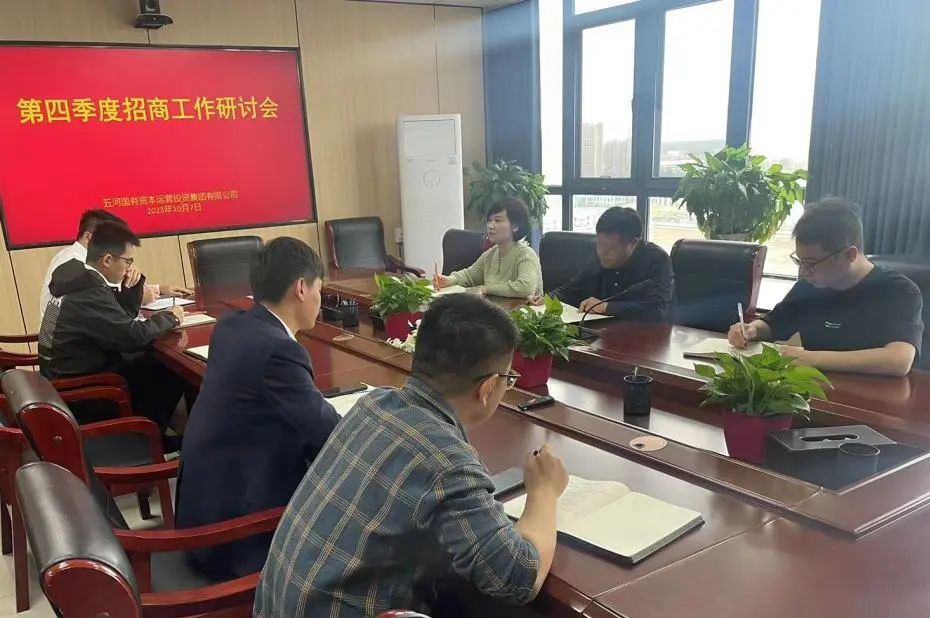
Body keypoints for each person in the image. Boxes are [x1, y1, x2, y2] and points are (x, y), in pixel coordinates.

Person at [255, 294, 569, 618]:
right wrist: (544, 490)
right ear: (488, 387)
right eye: (508, 379)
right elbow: (517, 578)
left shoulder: (373, 405)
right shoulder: (445, 461)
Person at [176, 237, 341, 580]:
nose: (320, 299)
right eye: (319, 289)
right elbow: (332, 437)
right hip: (237, 538)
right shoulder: (279, 352)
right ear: (301, 288)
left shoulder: (231, 326)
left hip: (200, 513)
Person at [728, 198, 924, 377]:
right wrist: (752, 329)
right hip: (813, 390)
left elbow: (899, 360)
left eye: (811, 263)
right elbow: (774, 324)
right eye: (800, 261)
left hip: (875, 397)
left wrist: (810, 358)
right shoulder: (810, 285)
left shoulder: (897, 290)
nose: (803, 271)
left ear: (850, 255)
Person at [38, 222, 186, 431]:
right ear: (107, 260)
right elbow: (132, 337)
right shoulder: (88, 292)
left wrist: (131, 288)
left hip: (66, 373)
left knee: (154, 363)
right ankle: (147, 436)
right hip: (83, 390)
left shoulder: (76, 276)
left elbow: (118, 321)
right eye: (128, 260)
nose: (130, 267)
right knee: (170, 371)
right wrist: (171, 317)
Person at [39, 209, 191, 325]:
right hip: (78, 351)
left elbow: (110, 292)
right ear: (88, 237)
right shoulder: (75, 264)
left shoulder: (78, 258)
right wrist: (139, 298)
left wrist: (156, 289)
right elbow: (106, 305)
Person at [536, 207, 674, 320]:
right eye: (600, 244)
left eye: (611, 248)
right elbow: (573, 289)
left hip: (647, 337)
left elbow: (657, 311)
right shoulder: (598, 255)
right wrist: (546, 299)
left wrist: (606, 307)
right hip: (602, 332)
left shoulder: (657, 260)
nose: (603, 252)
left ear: (633, 243)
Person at [434, 197, 543, 298]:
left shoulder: (526, 254)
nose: (490, 226)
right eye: (490, 220)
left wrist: (486, 288)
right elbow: (469, 276)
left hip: (521, 311)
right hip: (497, 309)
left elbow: (525, 288)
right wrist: (449, 280)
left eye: (498, 220)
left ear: (515, 226)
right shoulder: (490, 254)